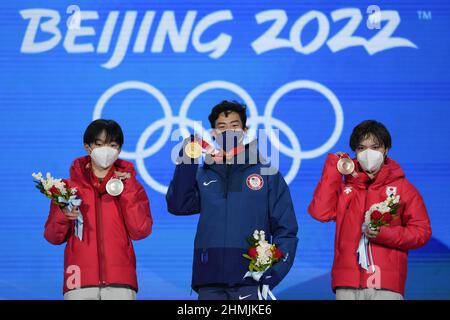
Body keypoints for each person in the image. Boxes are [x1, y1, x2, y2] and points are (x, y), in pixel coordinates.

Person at [166, 100, 298, 300]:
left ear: (245, 130)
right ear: (213, 133)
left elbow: (286, 228)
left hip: (251, 278)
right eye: (222, 127)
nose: (228, 131)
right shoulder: (203, 174)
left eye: (234, 126)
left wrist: (275, 271)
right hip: (209, 278)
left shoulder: (267, 173)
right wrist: (188, 159)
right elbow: (178, 205)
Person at [308, 120, 431, 300]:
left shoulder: (404, 188)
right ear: (355, 152)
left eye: (375, 147)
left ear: (386, 149)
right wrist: (333, 167)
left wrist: (384, 234)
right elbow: (320, 212)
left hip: (385, 284)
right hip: (347, 283)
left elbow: (422, 232)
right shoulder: (346, 189)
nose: (368, 154)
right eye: (361, 148)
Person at [44, 119, 153, 300]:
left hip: (120, 279)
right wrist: (63, 216)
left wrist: (128, 189)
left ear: (119, 149)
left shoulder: (131, 186)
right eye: (100, 144)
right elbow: (52, 236)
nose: (106, 150)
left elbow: (140, 230)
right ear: (88, 147)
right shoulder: (67, 188)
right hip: (78, 279)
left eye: (112, 145)